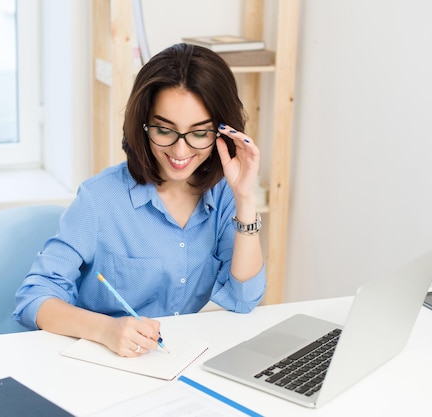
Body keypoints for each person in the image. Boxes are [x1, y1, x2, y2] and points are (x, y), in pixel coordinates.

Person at [13, 43, 266, 357]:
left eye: (200, 133)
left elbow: (244, 299)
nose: (180, 151)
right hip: (101, 360)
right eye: (164, 130)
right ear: (143, 125)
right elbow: (33, 299)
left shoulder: (225, 195)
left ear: (223, 133)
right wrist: (106, 329)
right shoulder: (100, 199)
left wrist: (245, 197)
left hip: (171, 360)